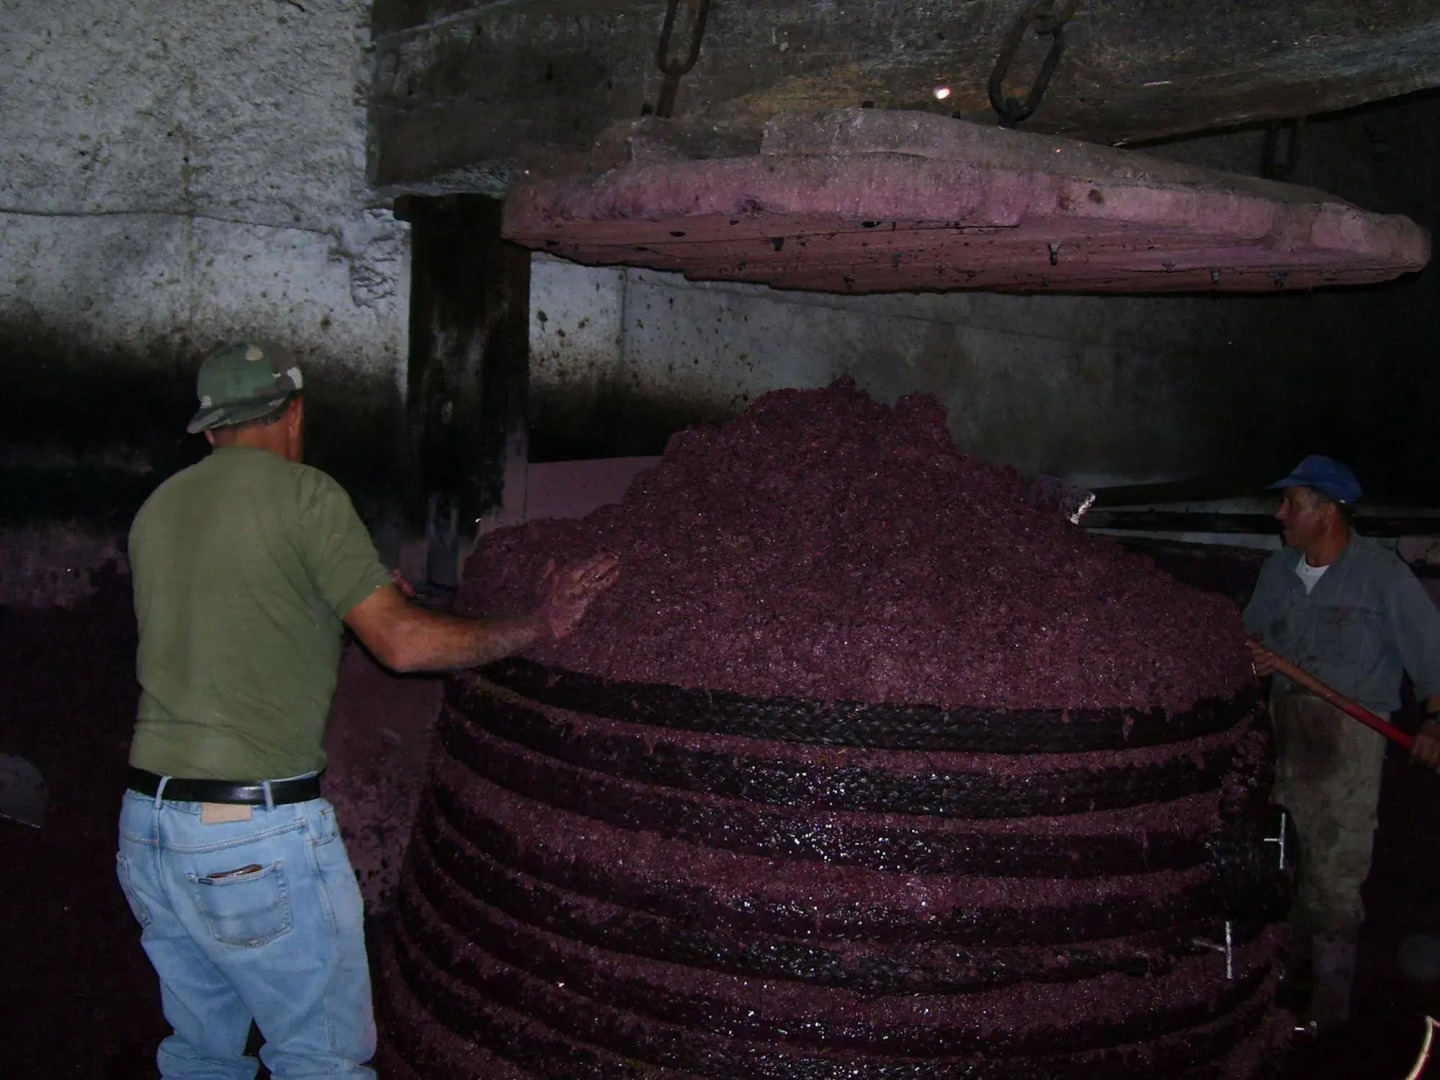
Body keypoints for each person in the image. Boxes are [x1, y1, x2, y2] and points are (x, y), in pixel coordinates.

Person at [116, 340, 619, 1080]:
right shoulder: (307, 496)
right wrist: (540, 626)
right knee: (321, 1059)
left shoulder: (158, 509)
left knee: (201, 1055)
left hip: (149, 832)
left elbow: (231, 621)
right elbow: (405, 647)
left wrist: (338, 594)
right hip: (251, 838)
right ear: (294, 412)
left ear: (211, 427)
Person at [1243, 454, 1440, 1033]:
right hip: (1287, 731)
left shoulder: (1382, 577)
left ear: (1327, 511)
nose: (1280, 514)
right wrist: (1252, 660)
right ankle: (1286, 981)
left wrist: (1434, 723)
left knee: (1334, 865)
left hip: (1350, 737)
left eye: (1292, 503)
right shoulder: (1277, 572)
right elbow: (1248, 638)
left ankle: (1331, 1010)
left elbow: (1434, 659)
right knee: (1288, 859)